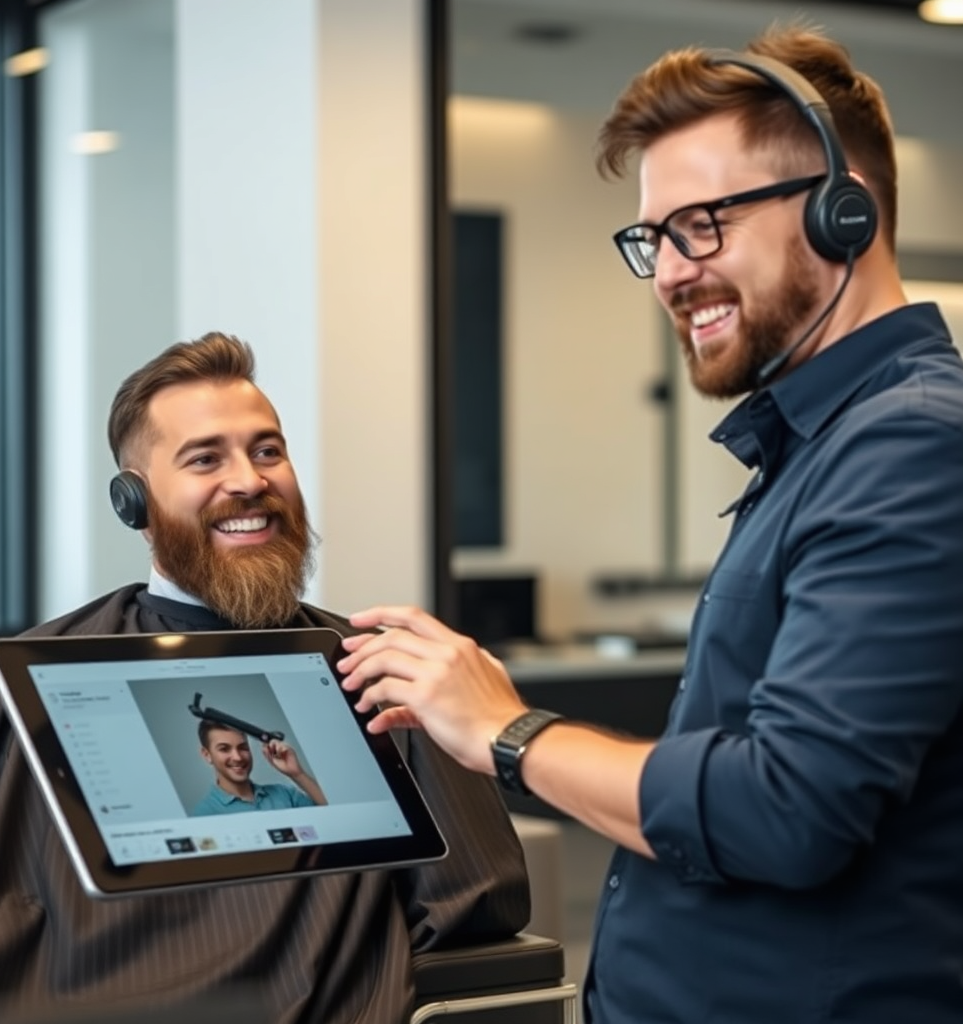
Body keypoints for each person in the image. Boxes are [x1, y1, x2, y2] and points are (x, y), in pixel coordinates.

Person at [337, 23, 963, 1024]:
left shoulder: (912, 446)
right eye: (654, 238)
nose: (669, 272)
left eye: (702, 225)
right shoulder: (821, 446)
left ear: (843, 212)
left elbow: (786, 811)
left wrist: (507, 733)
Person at [0, 332, 529, 1023]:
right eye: (205, 458)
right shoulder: (2, 684)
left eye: (268, 451)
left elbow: (481, 903)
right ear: (133, 502)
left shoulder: (390, 677)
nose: (249, 480)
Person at [191, 720, 327, 814]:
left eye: (243, 747)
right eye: (224, 749)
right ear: (207, 755)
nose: (238, 757)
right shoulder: (205, 812)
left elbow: (334, 813)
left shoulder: (285, 794)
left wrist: (297, 774)